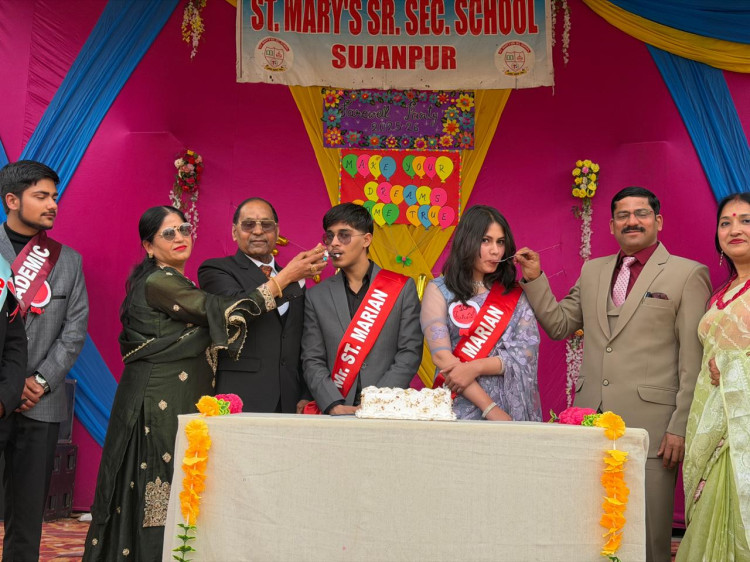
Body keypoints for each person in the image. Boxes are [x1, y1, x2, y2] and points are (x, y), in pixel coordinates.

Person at [83, 206, 325, 561]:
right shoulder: (159, 282)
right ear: (148, 246)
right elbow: (224, 311)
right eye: (168, 233)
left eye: (184, 229)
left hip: (179, 396)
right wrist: (285, 276)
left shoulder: (176, 282)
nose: (180, 237)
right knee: (158, 485)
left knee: (176, 484)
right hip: (158, 401)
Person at [516, 186, 711, 562]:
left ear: (658, 221)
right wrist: (536, 278)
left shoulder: (687, 274)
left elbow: (693, 358)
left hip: (653, 428)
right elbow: (560, 325)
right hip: (591, 420)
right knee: (589, 528)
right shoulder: (593, 270)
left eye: (641, 213)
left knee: (648, 534)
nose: (632, 221)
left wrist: (680, 425)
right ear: (611, 225)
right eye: (623, 215)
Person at [0, 160, 88, 562]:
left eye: (54, 196)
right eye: (41, 196)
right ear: (12, 200)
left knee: (28, 511)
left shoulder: (68, 260)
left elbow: (74, 330)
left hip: (41, 400)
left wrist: (39, 380)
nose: (53, 204)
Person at [676, 193, 750, 561]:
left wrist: (735, 367)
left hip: (741, 435)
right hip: (709, 423)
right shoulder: (722, 292)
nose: (735, 229)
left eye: (746, 220)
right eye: (725, 222)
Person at [421, 205, 542, 421]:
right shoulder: (439, 290)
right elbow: (442, 356)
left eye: (500, 242)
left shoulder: (514, 294)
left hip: (511, 405)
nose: (495, 250)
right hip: (459, 406)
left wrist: (476, 367)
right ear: (467, 241)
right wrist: (490, 409)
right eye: (486, 241)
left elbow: (526, 353)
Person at [301, 203, 422, 415]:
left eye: (344, 235)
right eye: (330, 236)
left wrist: (377, 401)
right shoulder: (316, 296)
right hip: (337, 410)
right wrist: (333, 405)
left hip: (386, 409)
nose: (334, 243)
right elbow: (312, 359)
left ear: (366, 240)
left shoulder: (401, 288)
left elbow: (409, 353)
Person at [198, 198, 310, 413]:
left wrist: (306, 394)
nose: (258, 231)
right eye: (248, 225)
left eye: (266, 225)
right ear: (234, 232)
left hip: (290, 398)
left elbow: (304, 341)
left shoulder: (296, 278)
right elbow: (237, 308)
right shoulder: (216, 269)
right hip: (240, 394)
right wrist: (287, 277)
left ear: (277, 231)